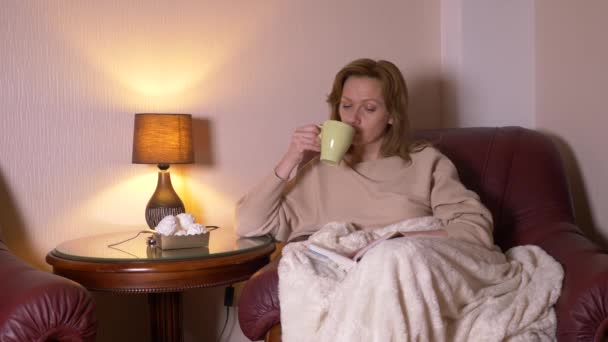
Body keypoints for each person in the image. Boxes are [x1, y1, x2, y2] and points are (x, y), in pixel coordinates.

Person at [235, 58, 493, 249]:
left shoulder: (426, 162)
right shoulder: (318, 171)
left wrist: (392, 244)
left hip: (407, 268)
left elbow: (474, 229)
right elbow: (249, 223)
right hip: (348, 281)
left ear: (392, 115)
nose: (353, 119)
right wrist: (292, 158)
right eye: (346, 106)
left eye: (369, 108)